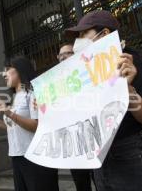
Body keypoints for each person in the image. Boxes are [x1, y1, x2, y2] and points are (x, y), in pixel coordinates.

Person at [65, 10, 142, 191]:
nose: (78, 41)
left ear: (105, 34)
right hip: (100, 158)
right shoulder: (83, 73)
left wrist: (127, 89)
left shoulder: (128, 61)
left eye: (84, 33)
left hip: (130, 154)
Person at [0, 56, 59, 191]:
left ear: (20, 70)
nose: (3, 74)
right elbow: (13, 127)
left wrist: (11, 114)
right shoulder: (15, 96)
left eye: (8, 70)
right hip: (17, 157)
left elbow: (36, 126)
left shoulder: (33, 93)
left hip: (35, 157)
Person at [57, 43, 93, 191]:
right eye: (60, 55)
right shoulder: (55, 83)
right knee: (81, 184)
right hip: (74, 143)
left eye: (68, 53)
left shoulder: (89, 74)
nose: (63, 57)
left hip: (93, 138)